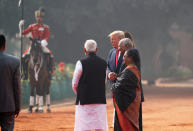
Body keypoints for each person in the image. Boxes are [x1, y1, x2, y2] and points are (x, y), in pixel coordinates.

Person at [72, 40, 108, 131]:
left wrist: (80, 93)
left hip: (84, 100)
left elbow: (74, 83)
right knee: (99, 127)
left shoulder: (80, 63)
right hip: (99, 99)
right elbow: (104, 80)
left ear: (85, 50)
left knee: (84, 127)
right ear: (96, 50)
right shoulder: (104, 63)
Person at [19, 7, 55, 80]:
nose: (39, 19)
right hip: (33, 45)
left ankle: (50, 71)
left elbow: (47, 36)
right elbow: (23, 33)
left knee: (50, 55)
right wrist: (20, 26)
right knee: (23, 57)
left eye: (40, 17)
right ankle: (24, 73)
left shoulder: (45, 27)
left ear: (43, 18)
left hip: (41, 45)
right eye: (37, 17)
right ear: (35, 18)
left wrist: (44, 41)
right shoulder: (32, 26)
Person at [112, 49, 141, 131]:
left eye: (125, 56)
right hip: (132, 102)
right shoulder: (133, 69)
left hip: (127, 105)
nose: (123, 58)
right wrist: (117, 77)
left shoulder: (130, 70)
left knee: (127, 126)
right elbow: (124, 82)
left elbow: (119, 86)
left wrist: (113, 86)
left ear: (130, 58)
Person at [0, 34, 21, 131]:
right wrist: (17, 106)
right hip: (8, 107)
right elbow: (17, 87)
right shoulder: (14, 62)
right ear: (4, 46)